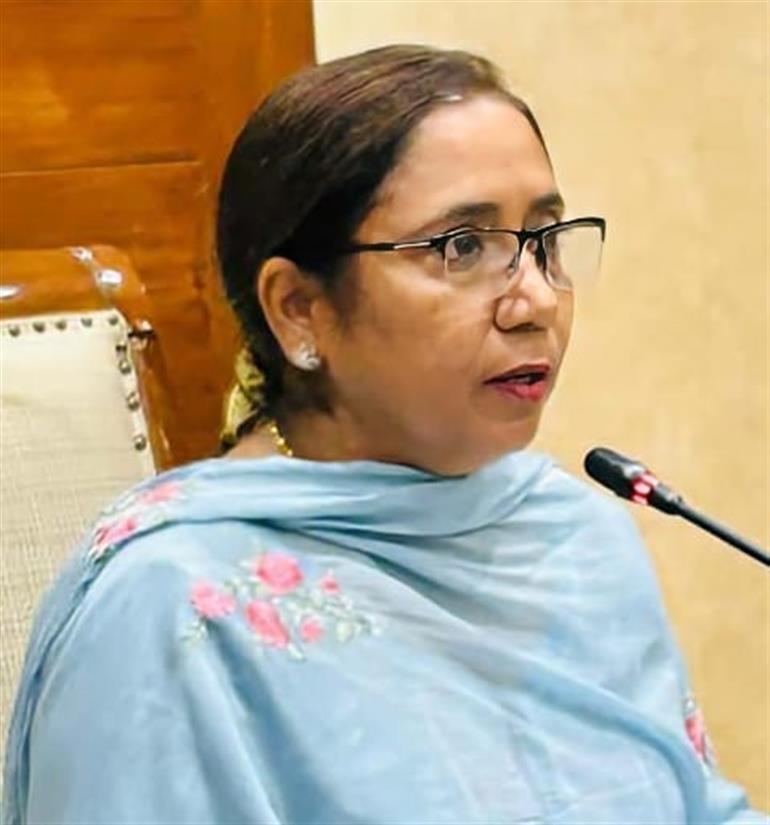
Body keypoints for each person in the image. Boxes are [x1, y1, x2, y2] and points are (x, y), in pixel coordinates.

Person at [3, 45, 765, 825]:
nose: (535, 300)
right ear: (299, 309)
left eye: (544, 238)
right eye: (462, 247)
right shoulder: (174, 611)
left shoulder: (577, 537)